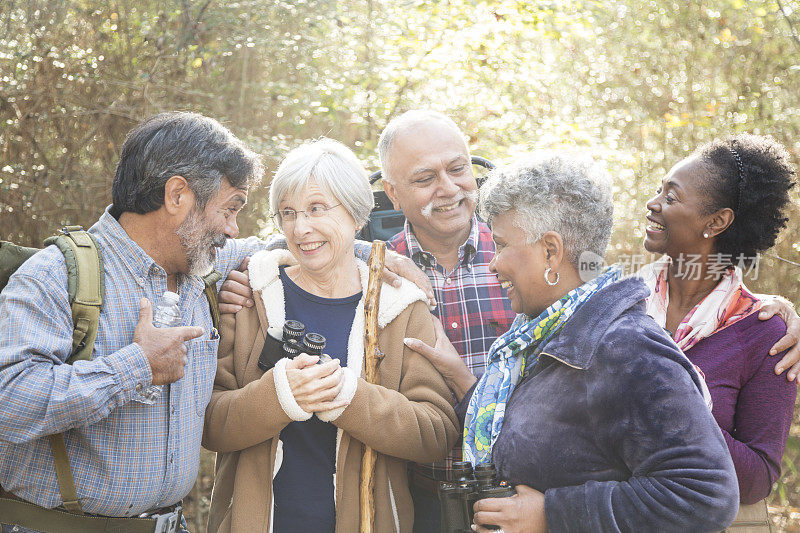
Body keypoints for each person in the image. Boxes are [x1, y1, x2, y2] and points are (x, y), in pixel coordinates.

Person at [406, 152, 740, 532]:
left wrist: (551, 514)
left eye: (500, 244)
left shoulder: (626, 349)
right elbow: (537, 427)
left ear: (551, 251)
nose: (493, 264)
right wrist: (460, 378)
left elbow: (704, 496)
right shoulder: (541, 336)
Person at [0, 112, 266, 532]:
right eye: (230, 209)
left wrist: (397, 259)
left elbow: (298, 244)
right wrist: (136, 367)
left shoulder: (204, 265)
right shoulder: (53, 276)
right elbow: (8, 402)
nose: (234, 229)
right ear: (177, 195)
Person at [202, 138, 458, 533]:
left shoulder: (401, 308)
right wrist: (280, 396)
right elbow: (209, 424)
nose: (301, 228)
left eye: (317, 209)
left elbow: (436, 433)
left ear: (356, 215)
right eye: (288, 213)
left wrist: (349, 397)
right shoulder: (250, 297)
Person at [640, 133, 798, 530]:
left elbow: (758, 478)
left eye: (671, 197)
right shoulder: (621, 307)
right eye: (659, 190)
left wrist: (668, 405)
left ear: (716, 222)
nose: (653, 204)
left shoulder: (765, 333)